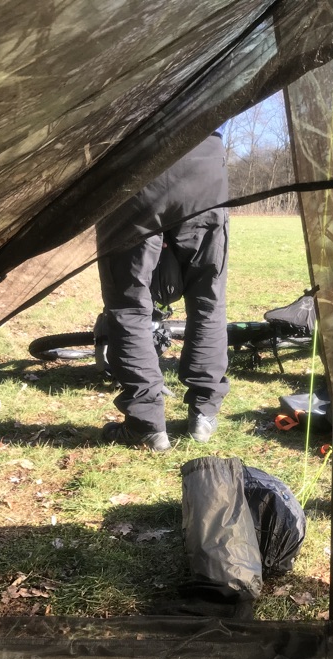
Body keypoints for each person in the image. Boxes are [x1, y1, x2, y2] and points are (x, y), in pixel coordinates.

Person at [95, 131, 229, 451]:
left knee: (128, 305)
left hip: (131, 162)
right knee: (208, 299)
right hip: (203, 161)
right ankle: (204, 413)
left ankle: (146, 425)